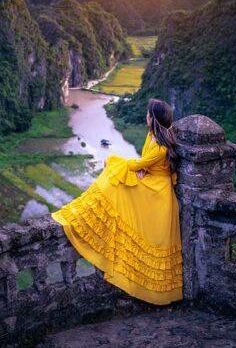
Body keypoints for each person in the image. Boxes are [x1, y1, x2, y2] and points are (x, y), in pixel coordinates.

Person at [51, 98, 183, 305]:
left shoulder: (160, 145)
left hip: (158, 191)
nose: (145, 116)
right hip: (150, 181)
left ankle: (90, 213)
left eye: (148, 114)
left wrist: (115, 161)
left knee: (115, 177)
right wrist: (140, 168)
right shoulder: (153, 135)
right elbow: (143, 164)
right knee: (118, 177)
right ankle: (90, 210)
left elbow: (141, 162)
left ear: (153, 119)